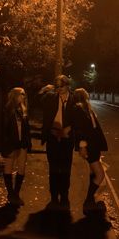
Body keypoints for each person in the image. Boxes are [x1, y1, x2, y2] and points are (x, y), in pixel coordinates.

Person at [41, 75, 75, 209]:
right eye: (57, 86)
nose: (58, 89)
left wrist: (70, 128)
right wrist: (45, 89)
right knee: (54, 167)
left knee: (66, 168)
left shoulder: (74, 99)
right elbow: (37, 100)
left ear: (67, 86)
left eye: (61, 86)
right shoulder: (50, 97)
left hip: (67, 137)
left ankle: (65, 195)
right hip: (53, 136)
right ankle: (54, 196)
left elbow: (78, 118)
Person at [73, 88, 108, 214]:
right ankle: (88, 200)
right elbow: (79, 129)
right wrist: (82, 146)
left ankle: (91, 200)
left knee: (94, 173)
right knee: (100, 174)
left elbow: (93, 127)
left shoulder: (86, 108)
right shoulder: (79, 108)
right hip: (89, 146)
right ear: (83, 96)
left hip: (94, 145)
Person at [1, 87, 31, 206]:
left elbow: (26, 128)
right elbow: (3, 128)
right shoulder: (7, 109)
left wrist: (28, 142)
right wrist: (6, 144)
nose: (24, 96)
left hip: (22, 142)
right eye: (21, 94)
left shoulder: (23, 109)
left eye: (24, 94)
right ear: (15, 95)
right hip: (11, 142)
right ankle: (11, 194)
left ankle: (16, 194)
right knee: (8, 167)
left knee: (21, 168)